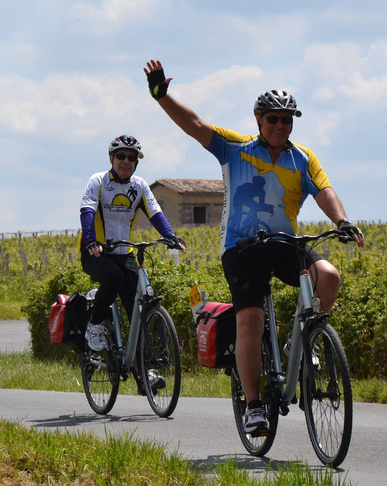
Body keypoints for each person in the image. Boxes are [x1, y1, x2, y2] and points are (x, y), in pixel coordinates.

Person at [144, 59, 364, 435]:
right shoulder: (237, 148)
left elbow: (325, 191)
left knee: (328, 276)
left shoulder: (302, 158)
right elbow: (195, 126)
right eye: (273, 119)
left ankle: (306, 340)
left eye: (287, 120)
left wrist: (341, 221)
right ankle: (254, 406)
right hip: (242, 249)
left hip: (284, 244)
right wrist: (162, 95)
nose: (280, 125)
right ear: (259, 120)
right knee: (251, 320)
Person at [79, 134, 186, 353]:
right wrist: (91, 240)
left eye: (131, 157)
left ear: (136, 162)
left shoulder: (139, 186)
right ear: (111, 158)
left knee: (138, 304)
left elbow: (155, 213)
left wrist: (171, 236)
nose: (126, 161)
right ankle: (95, 325)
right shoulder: (98, 181)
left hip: (124, 253)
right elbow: (87, 210)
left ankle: (143, 367)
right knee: (113, 277)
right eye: (121, 156)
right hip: (96, 251)